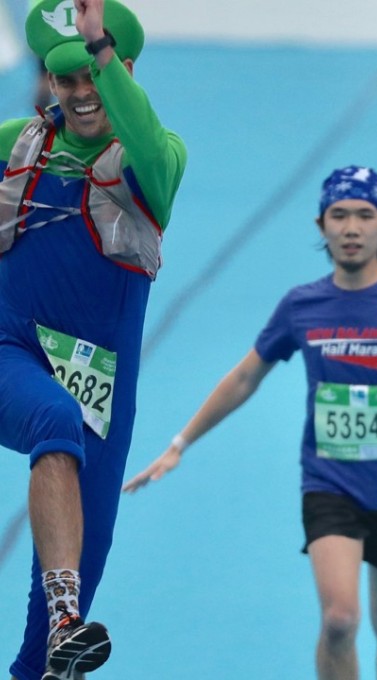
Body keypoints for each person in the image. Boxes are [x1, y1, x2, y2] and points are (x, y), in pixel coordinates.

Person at [123, 166, 377, 680]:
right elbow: (245, 377)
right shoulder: (302, 305)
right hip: (329, 485)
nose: (351, 228)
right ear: (321, 226)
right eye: (339, 216)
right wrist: (180, 443)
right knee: (338, 621)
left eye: (364, 215)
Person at [0, 0, 186, 678]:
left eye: (92, 77)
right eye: (64, 80)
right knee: (53, 414)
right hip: (9, 351)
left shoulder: (156, 161)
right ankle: (67, 618)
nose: (79, 95)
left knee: (53, 631)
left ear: (123, 69)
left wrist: (100, 52)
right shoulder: (15, 142)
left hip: (102, 392)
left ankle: (48, 646)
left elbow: (141, 130)